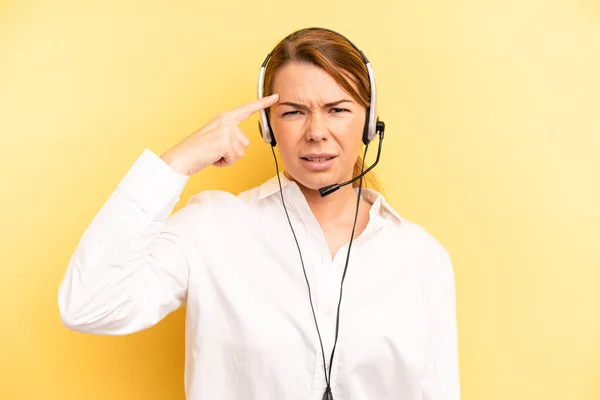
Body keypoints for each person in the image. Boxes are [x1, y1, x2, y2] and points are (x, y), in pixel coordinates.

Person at [58, 27, 460, 400]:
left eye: (337, 109)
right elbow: (89, 305)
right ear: (268, 128)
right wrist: (175, 163)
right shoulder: (212, 228)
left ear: (369, 123)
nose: (316, 131)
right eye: (294, 112)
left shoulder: (421, 257)